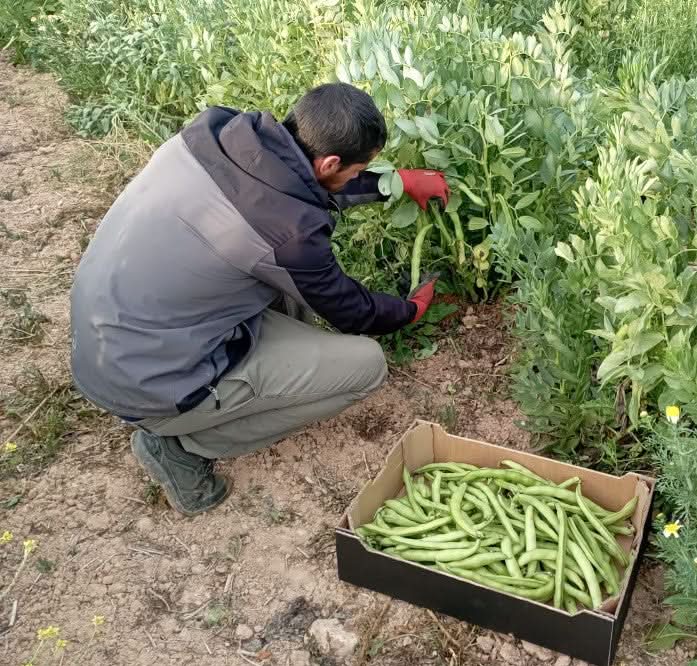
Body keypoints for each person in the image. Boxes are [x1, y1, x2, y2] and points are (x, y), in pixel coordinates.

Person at [69, 83, 450, 516]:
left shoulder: (217, 131)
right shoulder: (288, 235)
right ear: (329, 162)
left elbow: (297, 184)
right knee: (366, 365)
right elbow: (352, 310)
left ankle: (209, 401)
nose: (355, 176)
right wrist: (409, 310)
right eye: (359, 169)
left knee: (279, 281)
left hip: (108, 337)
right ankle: (183, 447)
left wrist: (393, 183)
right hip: (151, 382)